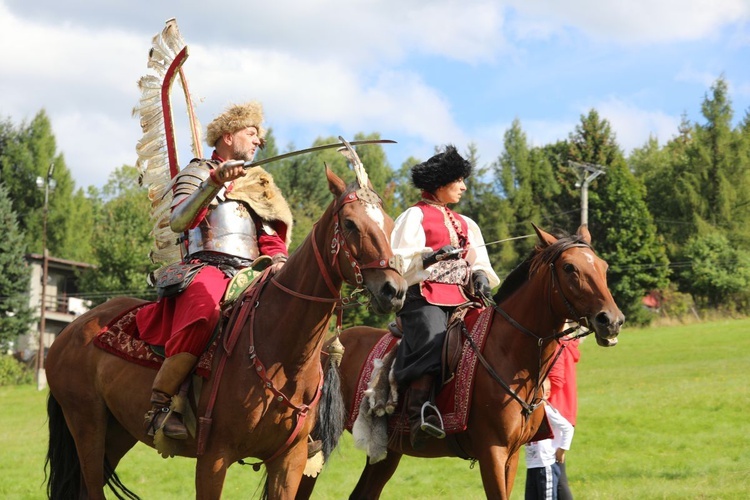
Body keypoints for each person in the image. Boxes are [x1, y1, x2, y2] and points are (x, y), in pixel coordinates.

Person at [136, 101, 293, 439]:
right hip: (206, 266)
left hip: (253, 271)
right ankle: (162, 403)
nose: (257, 142)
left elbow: (270, 239)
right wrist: (212, 183)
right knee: (205, 310)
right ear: (227, 136)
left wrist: (280, 261)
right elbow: (179, 220)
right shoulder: (197, 171)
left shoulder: (257, 183)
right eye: (251, 134)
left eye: (258, 137)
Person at [390, 145, 500, 449]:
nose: (464, 187)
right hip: (424, 296)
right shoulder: (414, 216)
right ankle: (420, 415)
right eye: (459, 180)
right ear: (441, 183)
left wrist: (479, 275)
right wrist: (430, 257)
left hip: (465, 297)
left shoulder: (467, 223)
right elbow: (396, 261)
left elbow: (480, 261)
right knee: (432, 337)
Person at [525, 379, 575, 500]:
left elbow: (568, 428)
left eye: (537, 392)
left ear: (546, 394)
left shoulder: (547, 411)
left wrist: (562, 449)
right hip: (532, 465)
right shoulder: (528, 413)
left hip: (545, 466)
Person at [547, 333, 582, 499]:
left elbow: (555, 380)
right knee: (557, 472)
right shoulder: (567, 344)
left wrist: (539, 400)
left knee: (555, 474)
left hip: (554, 411)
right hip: (565, 410)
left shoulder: (556, 345)